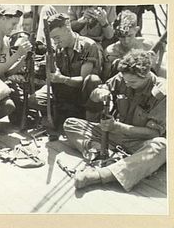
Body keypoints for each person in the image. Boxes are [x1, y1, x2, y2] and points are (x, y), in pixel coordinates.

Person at [64, 50, 166, 191]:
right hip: (113, 135)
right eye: (126, 81)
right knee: (71, 124)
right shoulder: (122, 77)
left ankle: (101, 175)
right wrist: (100, 93)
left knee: (162, 147)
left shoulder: (162, 93)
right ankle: (99, 153)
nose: (127, 85)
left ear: (147, 75)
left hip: (138, 140)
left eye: (133, 82)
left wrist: (117, 126)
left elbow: (152, 133)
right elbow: (97, 94)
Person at [32, 13, 103, 128]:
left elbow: (84, 80)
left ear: (66, 28)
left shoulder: (87, 46)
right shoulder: (57, 49)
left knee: (92, 80)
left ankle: (89, 122)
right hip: (64, 93)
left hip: (82, 94)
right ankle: (60, 115)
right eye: (53, 39)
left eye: (57, 37)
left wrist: (63, 79)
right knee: (34, 100)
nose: (55, 42)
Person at [103, 10, 166, 80]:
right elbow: (106, 78)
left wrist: (157, 61)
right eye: (122, 36)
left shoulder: (148, 46)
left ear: (136, 30)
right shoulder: (110, 52)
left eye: (130, 35)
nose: (126, 41)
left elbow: (159, 71)